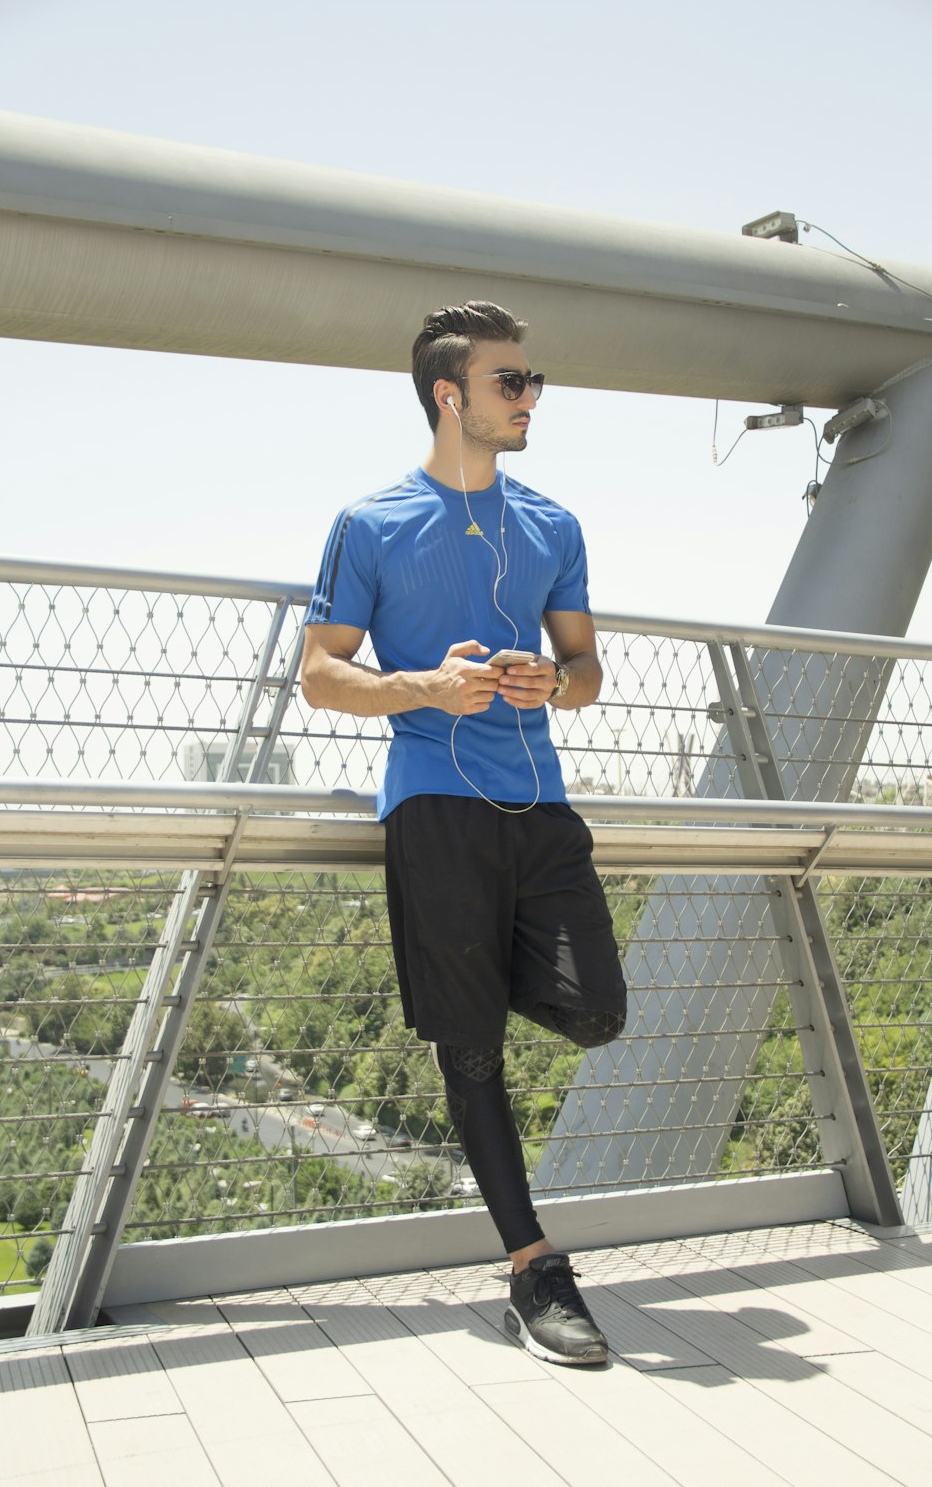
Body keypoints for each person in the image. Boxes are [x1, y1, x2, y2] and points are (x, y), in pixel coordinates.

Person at [300, 300, 626, 1365]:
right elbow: (319, 675)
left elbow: (584, 674)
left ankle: (467, 997)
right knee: (472, 1054)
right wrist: (422, 687)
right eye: (512, 382)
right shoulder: (371, 522)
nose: (531, 398)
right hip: (432, 806)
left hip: (541, 809)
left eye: (530, 382)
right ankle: (536, 1272)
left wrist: (550, 680)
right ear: (452, 394)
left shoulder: (554, 525)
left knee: (595, 1013)